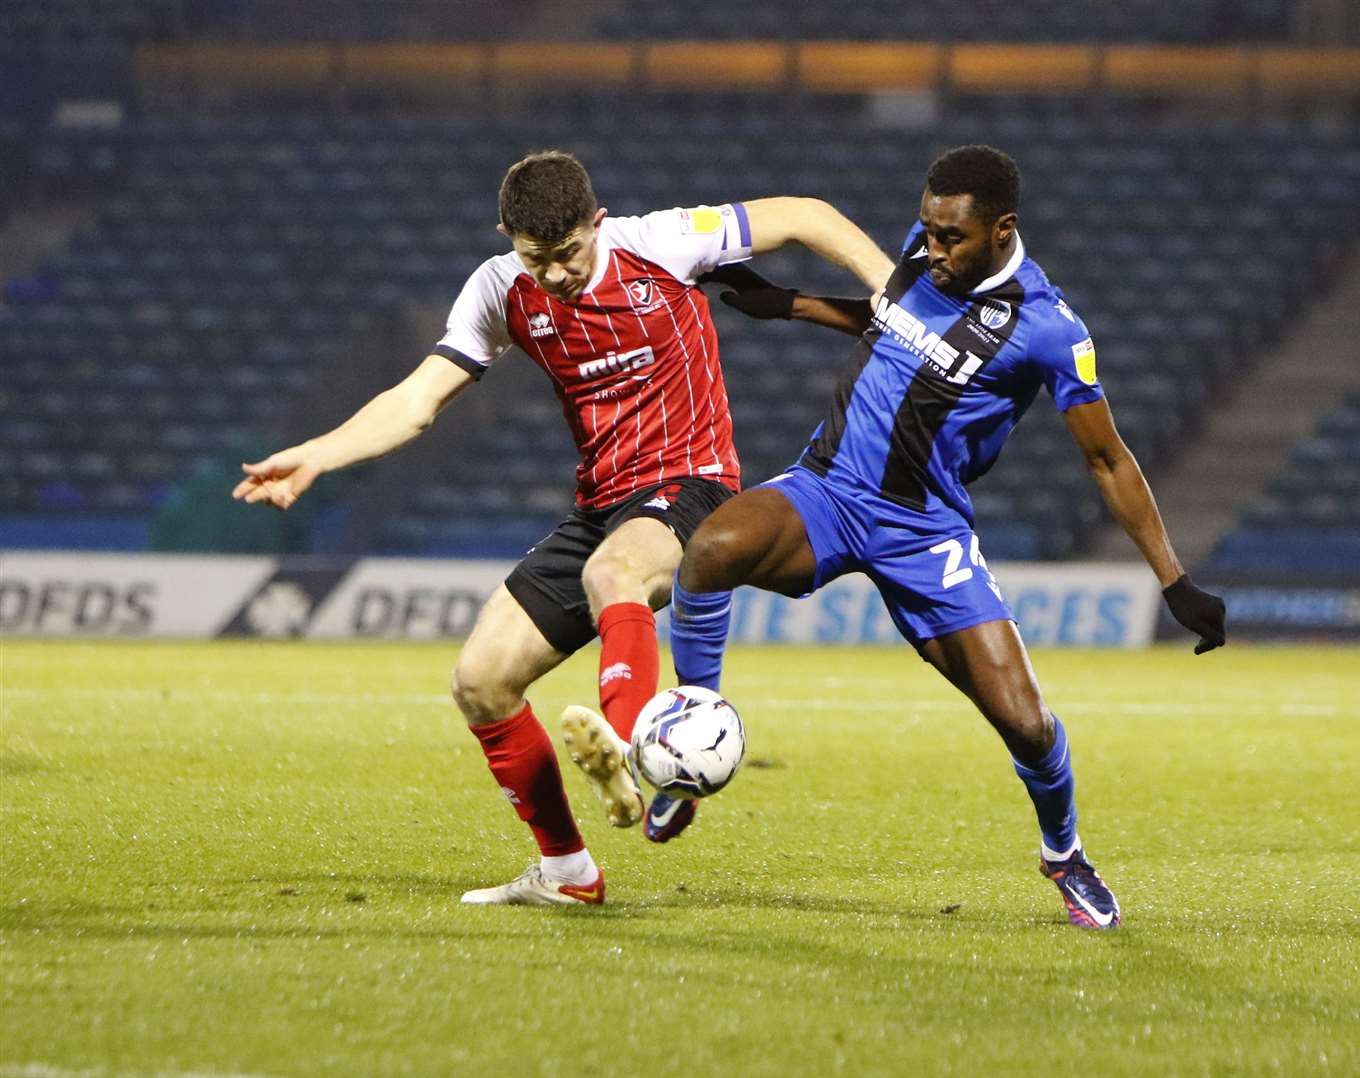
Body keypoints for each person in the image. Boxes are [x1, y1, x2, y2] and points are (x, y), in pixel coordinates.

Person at [566, 145, 1226, 928]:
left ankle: (1064, 853)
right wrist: (787, 303)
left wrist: (1174, 580)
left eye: (951, 237)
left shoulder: (1048, 328)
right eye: (927, 230)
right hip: (829, 489)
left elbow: (1107, 459)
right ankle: (692, 737)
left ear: (1001, 229)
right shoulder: (922, 258)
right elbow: (887, 324)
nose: (931, 249)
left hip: (923, 530)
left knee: (1023, 719)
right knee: (708, 550)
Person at [233, 150, 893, 907]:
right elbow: (419, 400)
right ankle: (568, 875)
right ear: (507, 238)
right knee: (481, 682)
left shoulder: (663, 242)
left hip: (692, 486)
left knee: (613, 574)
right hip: (600, 508)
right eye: (534, 257)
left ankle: (625, 738)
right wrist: (316, 456)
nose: (553, 274)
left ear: (598, 224)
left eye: (568, 253)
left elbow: (805, 214)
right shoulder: (498, 288)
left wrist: (892, 291)